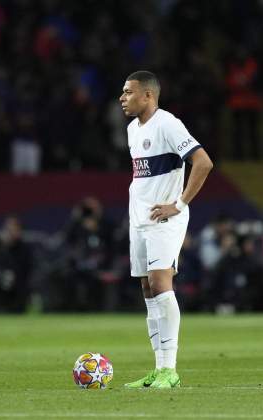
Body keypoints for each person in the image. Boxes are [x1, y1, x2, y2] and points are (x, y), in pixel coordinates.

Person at [119, 71, 213, 388]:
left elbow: (203, 162)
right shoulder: (133, 130)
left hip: (165, 219)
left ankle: (170, 368)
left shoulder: (168, 124)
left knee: (162, 285)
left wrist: (180, 203)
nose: (122, 98)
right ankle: (158, 369)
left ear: (148, 95)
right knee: (148, 291)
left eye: (129, 92)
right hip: (139, 220)